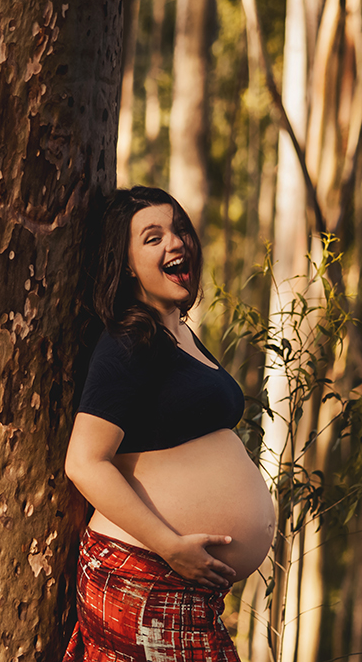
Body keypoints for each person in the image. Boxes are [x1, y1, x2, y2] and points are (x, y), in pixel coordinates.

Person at [63, 186, 276, 661]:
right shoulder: (128, 341)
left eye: (178, 230)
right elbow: (84, 462)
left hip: (178, 583)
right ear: (125, 264)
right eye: (153, 237)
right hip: (146, 572)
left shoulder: (180, 333)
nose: (175, 243)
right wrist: (171, 546)